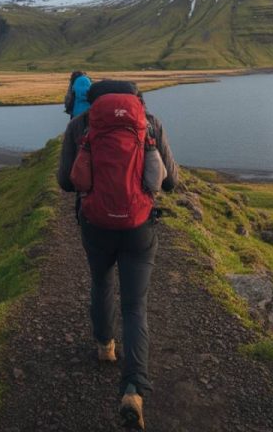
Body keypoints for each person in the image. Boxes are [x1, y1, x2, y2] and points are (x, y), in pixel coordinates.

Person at [57, 79, 178, 430]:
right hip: (139, 227)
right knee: (135, 306)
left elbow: (66, 181)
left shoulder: (79, 125)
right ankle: (133, 390)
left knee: (101, 282)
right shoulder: (150, 123)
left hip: (95, 224)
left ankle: (105, 347)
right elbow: (170, 181)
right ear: (136, 99)